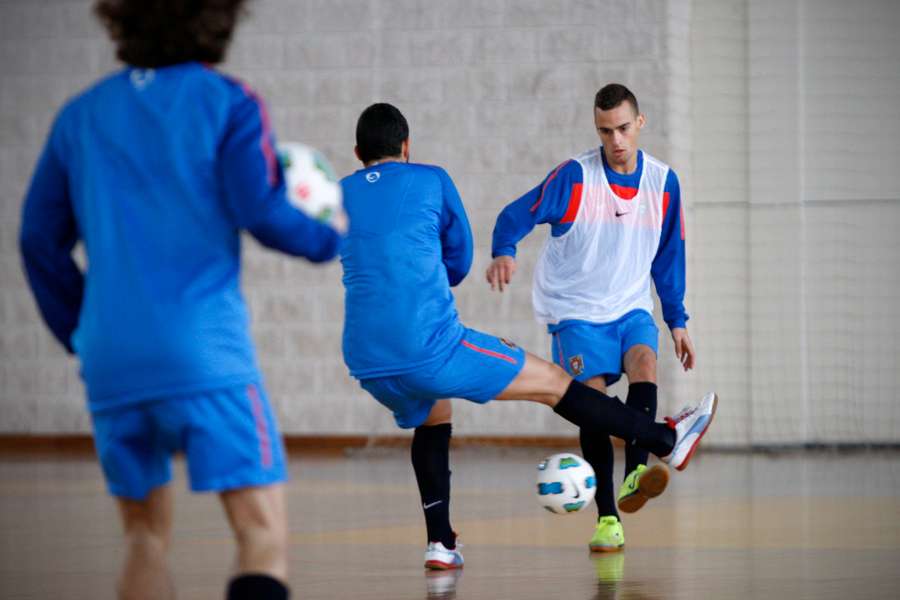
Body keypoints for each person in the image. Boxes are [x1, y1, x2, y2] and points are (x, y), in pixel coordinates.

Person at [18, 1, 343, 598]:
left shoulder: (80, 115)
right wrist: (330, 239)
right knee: (261, 534)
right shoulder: (230, 102)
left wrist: (82, 329)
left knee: (143, 538)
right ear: (218, 20)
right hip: (204, 355)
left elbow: (37, 239)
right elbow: (261, 210)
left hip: (112, 360)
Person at [339, 102, 717, 570]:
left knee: (433, 414)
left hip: (365, 361)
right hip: (430, 345)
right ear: (407, 147)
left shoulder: (339, 194)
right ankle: (665, 439)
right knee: (556, 383)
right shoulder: (430, 178)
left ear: (357, 153)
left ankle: (441, 543)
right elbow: (457, 262)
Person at [485, 83, 695, 553]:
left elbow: (668, 257)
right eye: (605, 131)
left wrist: (676, 320)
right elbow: (515, 214)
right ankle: (606, 518)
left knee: (644, 363)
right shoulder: (575, 178)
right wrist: (504, 251)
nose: (616, 140)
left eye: (623, 128)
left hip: (631, 304)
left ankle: (636, 472)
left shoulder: (663, 182)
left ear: (640, 123)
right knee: (593, 400)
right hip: (576, 310)